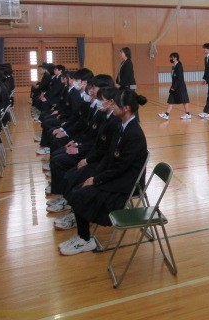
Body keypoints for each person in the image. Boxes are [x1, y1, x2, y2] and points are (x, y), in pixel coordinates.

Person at [59, 90, 148, 255]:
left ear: (126, 108)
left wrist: (96, 180)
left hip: (126, 184)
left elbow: (121, 167)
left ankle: (85, 240)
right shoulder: (122, 126)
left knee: (81, 194)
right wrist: (93, 176)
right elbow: (109, 157)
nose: (112, 106)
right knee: (79, 187)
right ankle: (83, 236)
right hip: (116, 176)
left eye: (116, 104)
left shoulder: (134, 134)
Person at [159, 52, 191, 120]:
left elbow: (179, 78)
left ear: (175, 58)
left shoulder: (179, 66)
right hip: (175, 86)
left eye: (172, 57)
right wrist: (173, 86)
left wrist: (173, 87)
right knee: (171, 100)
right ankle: (166, 114)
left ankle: (188, 114)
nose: (170, 59)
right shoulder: (174, 66)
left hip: (180, 87)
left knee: (184, 100)